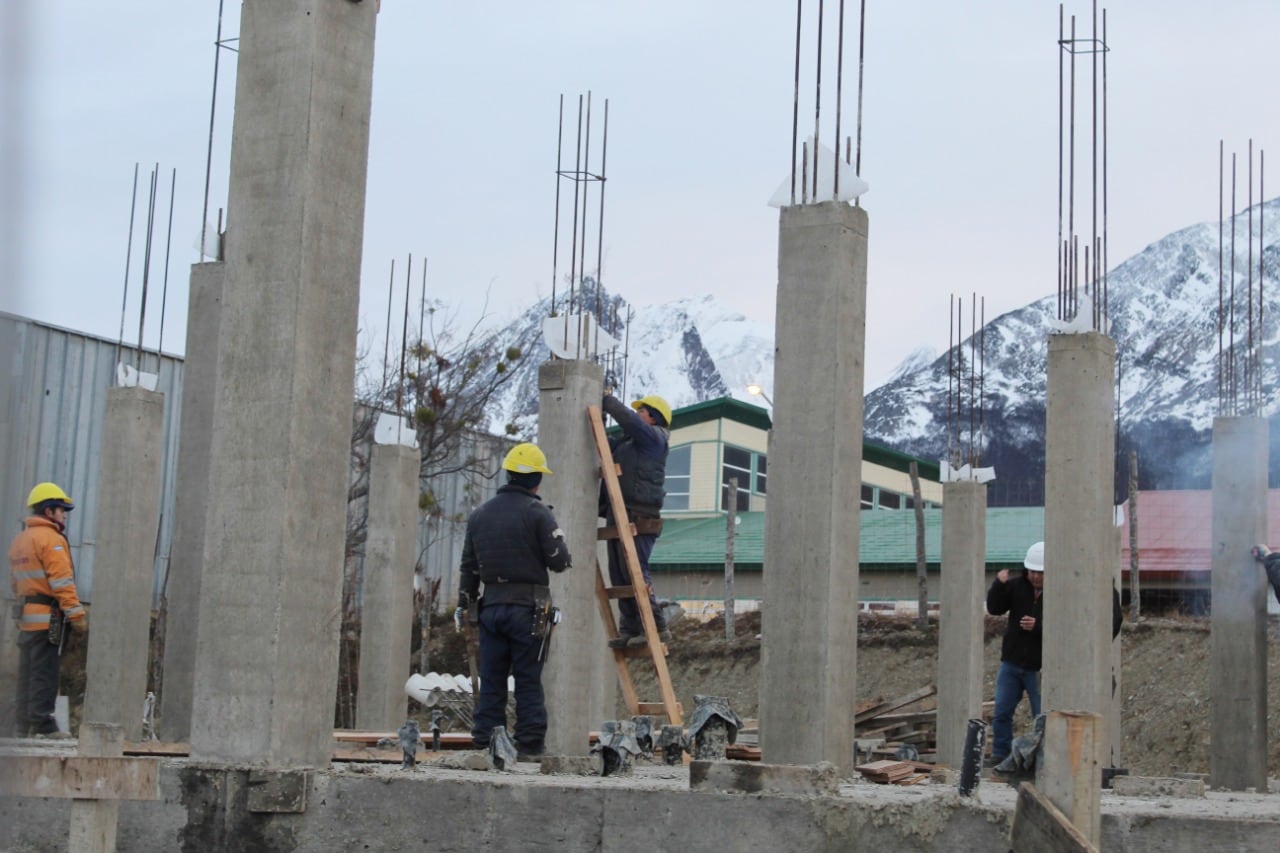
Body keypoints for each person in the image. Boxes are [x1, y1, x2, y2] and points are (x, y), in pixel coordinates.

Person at [457, 443, 571, 760]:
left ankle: (485, 742)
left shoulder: (480, 516)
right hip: (528, 610)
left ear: (508, 474)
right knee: (527, 679)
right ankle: (530, 745)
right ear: (537, 480)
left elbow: (468, 567)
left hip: (490, 608)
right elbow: (560, 561)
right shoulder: (538, 514)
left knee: (492, 678)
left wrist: (464, 606)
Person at [986, 540, 1123, 766]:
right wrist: (998, 586)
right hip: (1012, 662)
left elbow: (1067, 628)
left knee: (1043, 717)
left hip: (1040, 666)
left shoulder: (1064, 593)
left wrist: (1038, 626)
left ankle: (1043, 759)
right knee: (1002, 711)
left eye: (1040, 573)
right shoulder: (1017, 587)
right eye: (1032, 572)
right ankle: (1000, 754)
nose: (1036, 577)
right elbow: (995, 607)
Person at [8, 482, 88, 738]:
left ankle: (22, 725)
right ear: (49, 510)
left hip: (27, 618)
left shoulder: (20, 540)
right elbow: (62, 581)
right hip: (47, 620)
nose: (64, 515)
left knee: (27, 673)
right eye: (62, 510)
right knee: (44, 673)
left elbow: (15, 583)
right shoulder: (51, 540)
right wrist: (76, 616)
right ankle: (43, 723)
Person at [601, 393, 672, 649]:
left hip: (639, 514)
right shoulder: (629, 444)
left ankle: (655, 626)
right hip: (619, 510)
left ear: (653, 417)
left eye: (642, 411)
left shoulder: (654, 439)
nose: (638, 415)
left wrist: (608, 402)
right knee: (619, 574)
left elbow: (630, 421)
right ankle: (629, 628)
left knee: (635, 573)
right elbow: (606, 445)